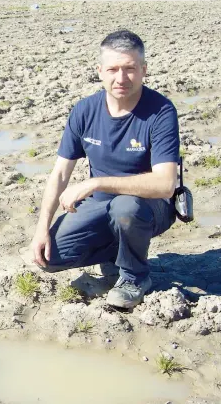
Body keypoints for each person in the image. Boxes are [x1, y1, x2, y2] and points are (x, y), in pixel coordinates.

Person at [26, 30, 179, 308]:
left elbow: (165, 184)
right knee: (49, 257)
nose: (121, 78)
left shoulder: (161, 111)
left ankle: (135, 276)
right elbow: (60, 173)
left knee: (126, 208)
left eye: (130, 69)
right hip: (100, 206)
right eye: (113, 69)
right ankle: (118, 253)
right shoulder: (85, 110)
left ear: (144, 70)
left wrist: (95, 184)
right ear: (100, 71)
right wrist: (42, 228)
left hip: (149, 207)